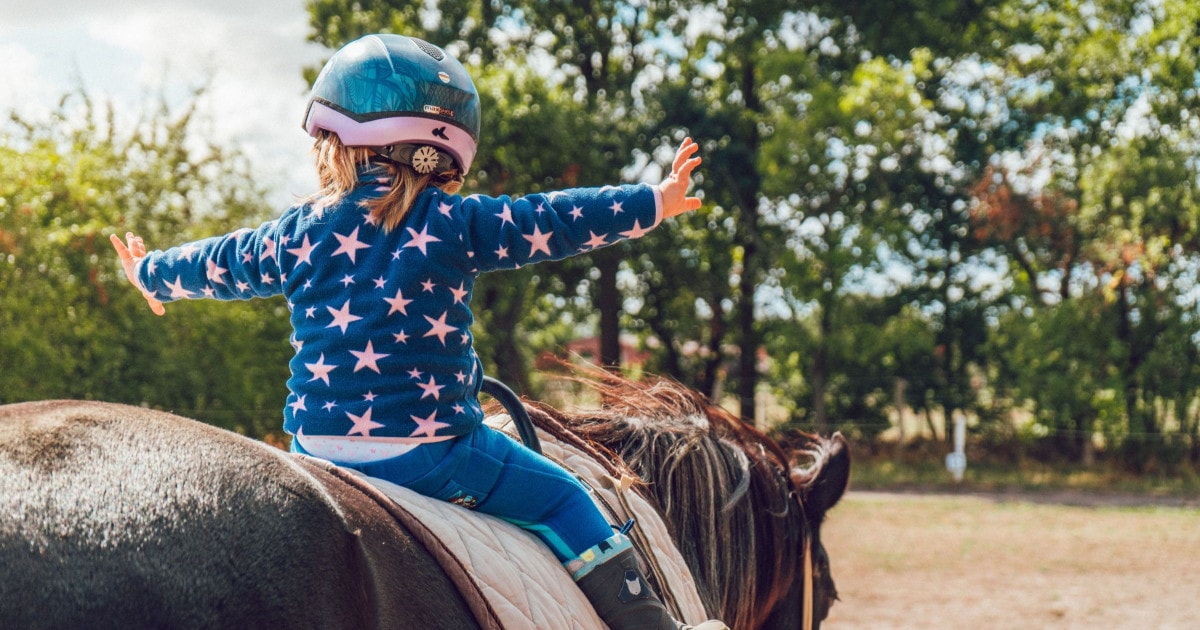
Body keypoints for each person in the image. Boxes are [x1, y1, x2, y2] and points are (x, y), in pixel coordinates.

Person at [111, 33, 723, 630]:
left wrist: (151, 273)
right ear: (446, 153)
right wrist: (654, 202)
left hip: (316, 449)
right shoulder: (456, 221)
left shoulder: (295, 233)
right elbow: (553, 217)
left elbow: (223, 261)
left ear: (335, 141)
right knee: (564, 499)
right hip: (430, 453)